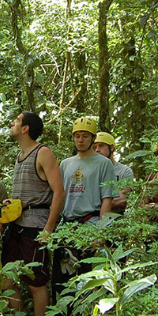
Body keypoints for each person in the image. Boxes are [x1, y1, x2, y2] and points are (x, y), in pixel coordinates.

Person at [0, 111, 65, 316]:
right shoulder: (20, 157)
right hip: (16, 226)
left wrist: (49, 228)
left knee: (36, 282)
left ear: (26, 128)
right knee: (6, 279)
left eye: (17, 121)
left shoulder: (43, 152)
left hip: (36, 227)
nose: (13, 123)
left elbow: (59, 191)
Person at [53, 116, 117, 306]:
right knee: (62, 278)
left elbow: (107, 198)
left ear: (92, 138)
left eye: (85, 136)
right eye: (77, 136)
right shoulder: (66, 164)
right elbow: (60, 195)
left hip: (90, 223)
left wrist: (101, 231)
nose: (80, 140)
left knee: (87, 276)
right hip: (67, 226)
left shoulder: (103, 164)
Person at [93, 131, 134, 213]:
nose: (97, 150)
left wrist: (93, 203)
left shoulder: (124, 171)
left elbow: (122, 199)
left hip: (115, 218)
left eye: (101, 146)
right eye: (94, 147)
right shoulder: (90, 171)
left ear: (111, 147)